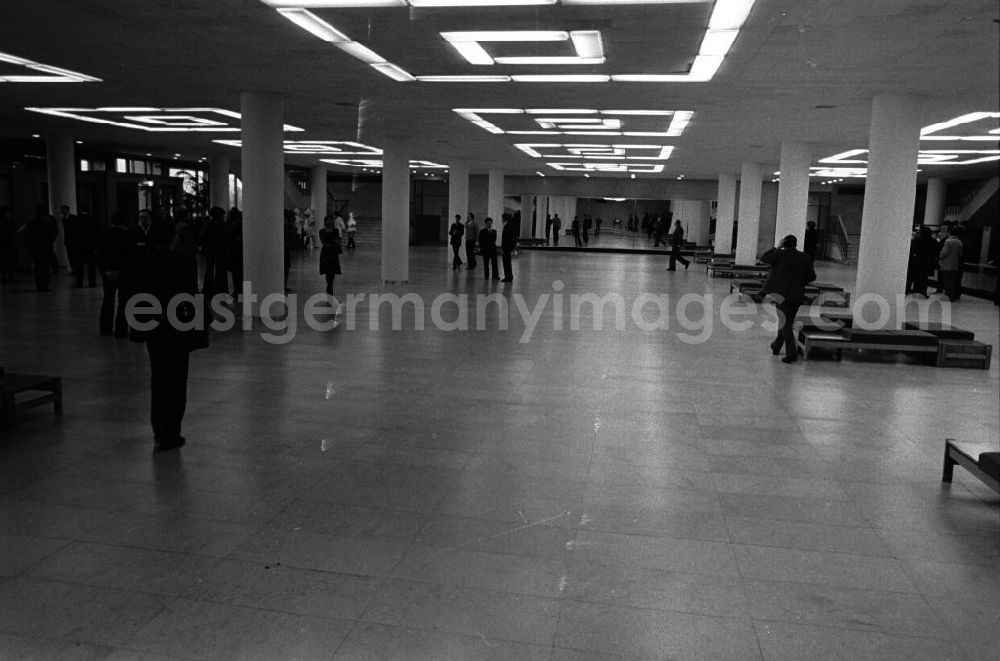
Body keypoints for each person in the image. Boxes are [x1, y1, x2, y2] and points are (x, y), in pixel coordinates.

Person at [127, 222, 202, 452]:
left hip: (154, 329)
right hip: (178, 328)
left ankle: (158, 429)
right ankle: (170, 433)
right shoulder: (183, 262)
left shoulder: (141, 262)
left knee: (158, 378)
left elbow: (134, 297)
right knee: (177, 382)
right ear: (173, 239)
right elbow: (191, 296)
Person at [760, 234, 817, 364]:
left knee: (785, 324)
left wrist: (777, 247)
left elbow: (764, 258)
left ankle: (792, 353)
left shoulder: (780, 254)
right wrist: (800, 283)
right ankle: (776, 345)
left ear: (784, 244)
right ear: (796, 244)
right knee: (786, 321)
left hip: (781, 295)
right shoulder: (806, 257)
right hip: (797, 295)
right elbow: (812, 277)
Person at [96, 211, 135, 337]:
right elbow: (129, 256)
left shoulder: (104, 235)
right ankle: (121, 330)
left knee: (108, 299)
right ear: (123, 221)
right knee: (123, 301)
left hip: (108, 273)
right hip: (122, 272)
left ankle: (105, 329)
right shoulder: (127, 235)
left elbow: (99, 255)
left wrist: (106, 270)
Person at [63, 204, 99, 287]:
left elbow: (73, 233)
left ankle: (80, 282)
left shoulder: (76, 220)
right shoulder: (93, 219)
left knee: (79, 265)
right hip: (90, 245)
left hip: (79, 245)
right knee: (91, 264)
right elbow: (97, 232)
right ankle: (92, 282)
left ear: (80, 210)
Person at [25, 205, 57, 291]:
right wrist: (50, 243)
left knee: (37, 268)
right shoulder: (48, 222)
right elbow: (53, 233)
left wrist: (29, 248)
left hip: (35, 249)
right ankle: (45, 285)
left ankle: (39, 285)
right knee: (45, 267)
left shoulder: (31, 223)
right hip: (46, 247)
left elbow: (29, 236)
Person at [201, 206, 228, 294]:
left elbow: (204, 237)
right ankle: (221, 289)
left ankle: (208, 289)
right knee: (221, 269)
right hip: (221, 250)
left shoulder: (208, 224)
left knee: (209, 268)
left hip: (211, 249)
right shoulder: (223, 224)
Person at [907, 226, 939, 297]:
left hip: (918, 262)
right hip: (928, 263)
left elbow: (911, 252)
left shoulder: (917, 241)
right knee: (924, 279)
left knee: (917, 278)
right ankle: (923, 292)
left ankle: (915, 291)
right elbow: (937, 253)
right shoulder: (934, 242)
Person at [938, 224, 964, 301]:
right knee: (952, 281)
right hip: (955, 264)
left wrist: (940, 256)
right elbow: (960, 254)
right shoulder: (959, 242)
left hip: (946, 264)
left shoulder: (948, 241)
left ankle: (948, 296)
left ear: (949, 233)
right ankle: (951, 296)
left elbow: (944, 252)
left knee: (947, 281)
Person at [318, 214, 342, 295]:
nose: (330, 221)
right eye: (328, 220)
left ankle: (330, 285)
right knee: (328, 271)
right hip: (326, 253)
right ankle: (329, 286)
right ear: (325, 221)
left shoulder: (336, 231)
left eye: (331, 220)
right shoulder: (322, 231)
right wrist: (333, 242)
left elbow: (337, 241)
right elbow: (325, 243)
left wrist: (333, 242)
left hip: (333, 253)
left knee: (332, 272)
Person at [226, 207, 243, 300]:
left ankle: (238, 291)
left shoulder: (234, 226)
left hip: (235, 253)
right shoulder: (239, 225)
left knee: (237, 274)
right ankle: (239, 291)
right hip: (238, 253)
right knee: (238, 273)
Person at [0, 206, 17, 284]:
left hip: (2, 244)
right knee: (10, 261)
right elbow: (13, 231)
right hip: (9, 244)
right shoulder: (9, 222)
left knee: (3, 262)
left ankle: (3, 277)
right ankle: (10, 277)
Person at [501, 214, 516, 282]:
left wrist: (506, 247)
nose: (501, 219)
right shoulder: (509, 225)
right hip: (507, 247)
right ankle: (509, 276)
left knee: (506, 262)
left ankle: (508, 277)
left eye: (502, 218)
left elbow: (509, 238)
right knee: (507, 262)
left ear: (504, 218)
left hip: (507, 247)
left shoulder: (508, 225)